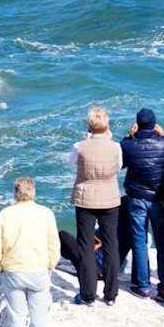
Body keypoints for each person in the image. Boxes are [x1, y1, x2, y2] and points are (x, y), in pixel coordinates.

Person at [0, 176, 60, 327]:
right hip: (39, 270)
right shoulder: (45, 213)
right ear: (33, 192)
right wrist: (51, 264)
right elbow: (53, 243)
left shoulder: (5, 214)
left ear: (15, 193)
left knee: (16, 317)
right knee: (38, 317)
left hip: (14, 271)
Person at [119, 108, 164, 301]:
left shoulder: (129, 145)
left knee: (139, 241)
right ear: (155, 125)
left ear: (137, 124)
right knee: (162, 243)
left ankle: (143, 286)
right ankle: (163, 287)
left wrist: (128, 137)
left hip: (137, 197)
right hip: (159, 198)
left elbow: (119, 162)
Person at [69, 106, 123, 306]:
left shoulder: (79, 146)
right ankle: (110, 295)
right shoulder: (116, 147)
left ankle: (88, 294)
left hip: (85, 198)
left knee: (86, 245)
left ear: (89, 127)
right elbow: (118, 166)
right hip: (109, 197)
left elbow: (71, 162)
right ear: (107, 126)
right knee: (111, 244)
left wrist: (87, 141)